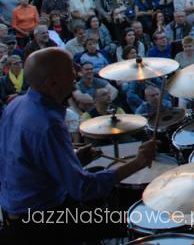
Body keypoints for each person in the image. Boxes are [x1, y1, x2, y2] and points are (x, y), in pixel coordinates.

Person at [0, 48, 157, 242]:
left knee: (102, 186)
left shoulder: (16, 104)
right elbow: (83, 188)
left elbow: (28, 164)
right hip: (42, 220)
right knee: (134, 219)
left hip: (15, 209)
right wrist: (138, 163)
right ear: (52, 82)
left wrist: (74, 159)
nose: (77, 75)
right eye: (70, 71)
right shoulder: (48, 124)